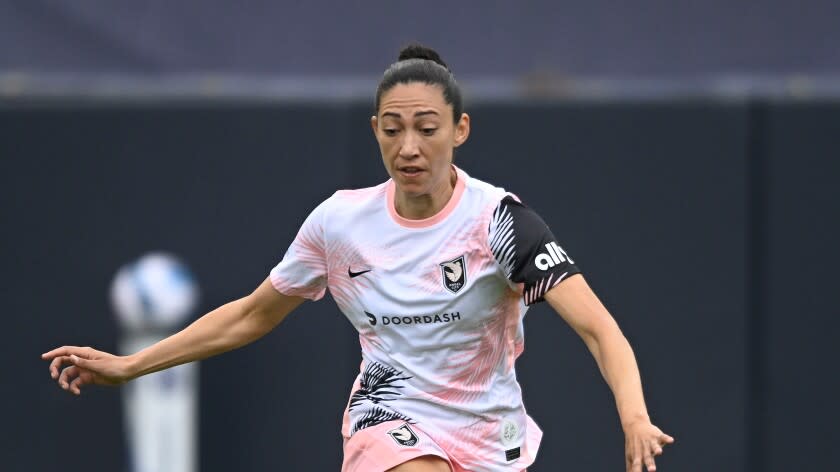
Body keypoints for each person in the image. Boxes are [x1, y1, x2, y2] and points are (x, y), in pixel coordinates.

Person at [42, 45, 674, 472]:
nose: (409, 146)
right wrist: (131, 366)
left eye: (427, 128)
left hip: (489, 430)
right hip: (388, 411)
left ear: (460, 130)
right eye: (393, 128)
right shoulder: (338, 223)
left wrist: (634, 417)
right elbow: (251, 316)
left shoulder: (500, 222)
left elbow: (598, 328)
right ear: (374, 129)